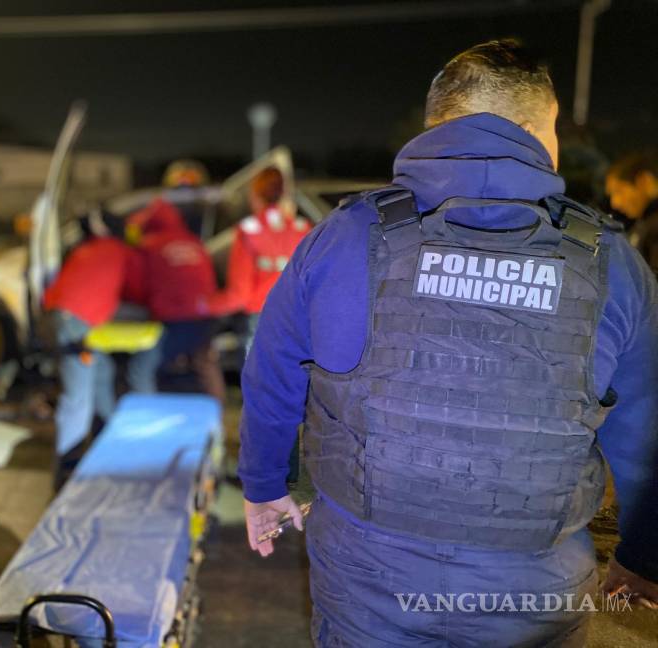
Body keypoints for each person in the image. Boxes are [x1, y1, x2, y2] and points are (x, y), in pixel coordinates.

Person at [240, 39, 658, 647]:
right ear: (540, 129)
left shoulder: (345, 237)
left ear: (437, 125)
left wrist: (265, 486)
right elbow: (649, 430)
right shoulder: (612, 264)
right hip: (529, 592)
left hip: (368, 581)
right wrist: (644, 558)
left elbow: (273, 371)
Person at [42, 213, 146, 477]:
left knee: (102, 372)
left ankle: (108, 436)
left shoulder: (88, 248)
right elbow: (137, 290)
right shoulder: (123, 253)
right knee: (78, 395)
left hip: (63, 316)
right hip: (77, 322)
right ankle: (67, 466)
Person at [126, 190, 226, 402]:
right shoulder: (194, 243)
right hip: (205, 319)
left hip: (174, 322)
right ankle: (216, 424)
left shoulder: (148, 246)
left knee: (140, 370)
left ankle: (149, 424)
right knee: (206, 364)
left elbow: (135, 288)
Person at [202, 166, 310, 341]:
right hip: (296, 319)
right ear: (283, 194)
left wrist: (205, 305)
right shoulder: (301, 228)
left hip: (260, 320)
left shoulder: (248, 231)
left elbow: (239, 294)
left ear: (254, 196)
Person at [605, 151, 658, 272]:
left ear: (644, 181)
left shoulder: (654, 228)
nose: (615, 203)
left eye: (619, 191)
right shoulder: (645, 224)